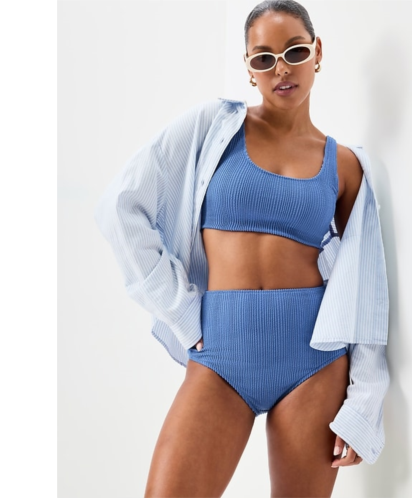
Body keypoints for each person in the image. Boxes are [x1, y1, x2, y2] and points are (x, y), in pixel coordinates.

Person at [95, 1, 390, 496]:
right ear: (249, 68)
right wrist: (181, 311)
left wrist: (364, 401)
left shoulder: (343, 165)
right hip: (220, 353)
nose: (281, 68)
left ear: (317, 53)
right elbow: (120, 207)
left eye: (295, 52)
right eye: (264, 58)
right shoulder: (213, 127)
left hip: (315, 363)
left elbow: (365, 289)